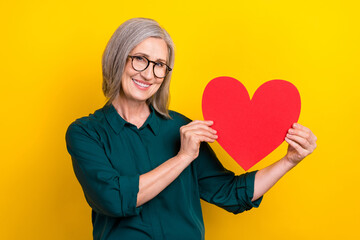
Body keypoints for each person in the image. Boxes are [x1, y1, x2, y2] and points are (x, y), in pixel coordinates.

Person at [65, 18, 317, 240]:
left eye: (160, 65)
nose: (149, 74)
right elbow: (114, 199)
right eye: (140, 59)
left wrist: (289, 160)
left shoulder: (181, 128)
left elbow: (230, 193)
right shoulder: (86, 133)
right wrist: (183, 158)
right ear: (118, 58)